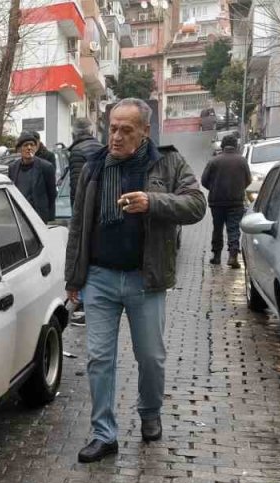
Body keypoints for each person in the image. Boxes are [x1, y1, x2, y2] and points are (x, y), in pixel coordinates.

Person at [64, 98, 206, 463]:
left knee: (151, 358)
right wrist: (73, 278)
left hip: (146, 278)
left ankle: (149, 413)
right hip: (100, 278)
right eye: (113, 128)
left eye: (127, 130)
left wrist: (153, 202)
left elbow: (196, 204)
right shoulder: (93, 166)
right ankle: (103, 433)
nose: (117, 136)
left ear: (145, 130)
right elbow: (78, 226)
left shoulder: (167, 162)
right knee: (99, 359)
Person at [201, 135, 253, 268]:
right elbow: (248, 180)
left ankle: (216, 256)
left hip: (217, 202)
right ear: (235, 146)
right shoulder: (242, 161)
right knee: (233, 228)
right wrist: (239, 189)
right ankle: (233, 256)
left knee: (217, 229)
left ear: (222, 146)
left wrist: (213, 188)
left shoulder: (214, 161)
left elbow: (204, 180)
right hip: (236, 202)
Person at [8, 132, 58, 223]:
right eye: (26, 145)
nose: (29, 148)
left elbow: (52, 194)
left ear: (36, 147)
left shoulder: (46, 167)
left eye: (32, 145)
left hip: (39, 218)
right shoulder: (13, 168)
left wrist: (49, 219)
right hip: (20, 217)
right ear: (19, 149)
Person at [67, 118, 104, 206]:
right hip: (102, 202)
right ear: (92, 133)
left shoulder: (77, 151)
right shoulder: (103, 148)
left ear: (73, 135)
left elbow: (76, 186)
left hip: (86, 205)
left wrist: (75, 209)